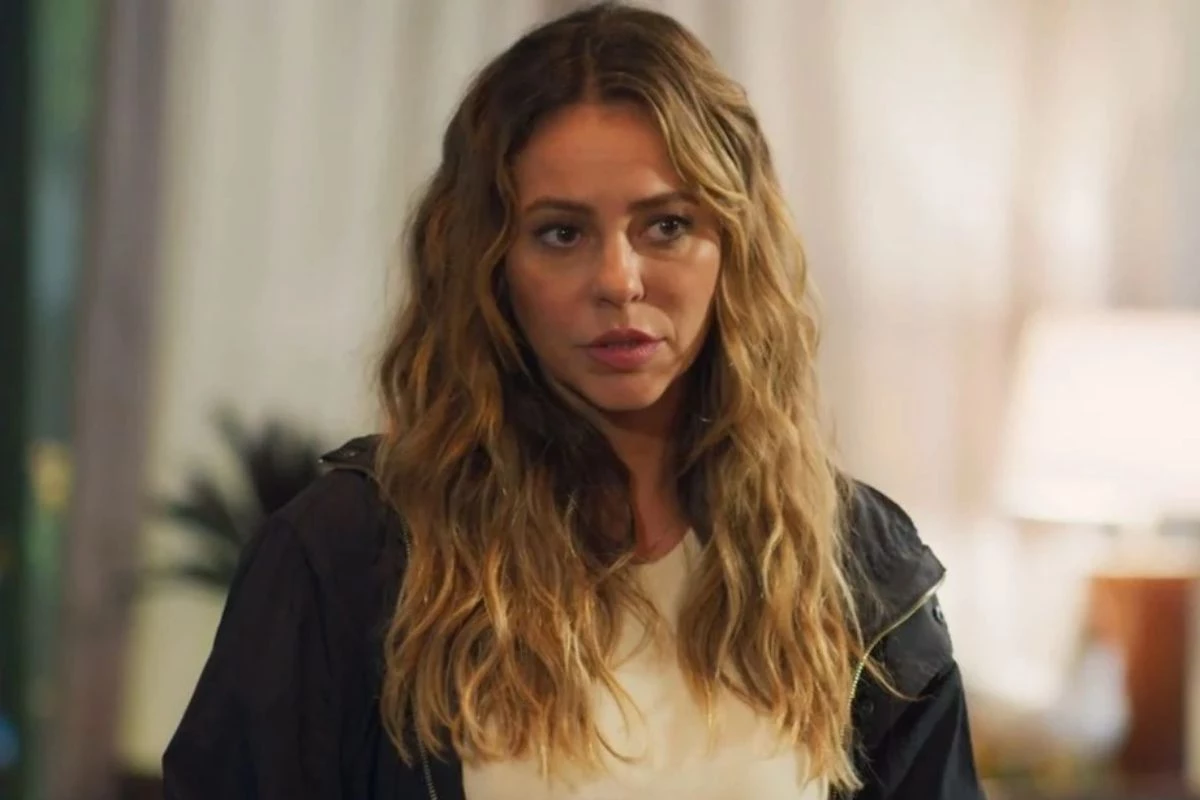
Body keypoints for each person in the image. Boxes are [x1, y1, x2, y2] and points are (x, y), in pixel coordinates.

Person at [163, 3, 983, 798]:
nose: (618, 281)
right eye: (562, 232)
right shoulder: (350, 558)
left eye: (666, 225)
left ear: (734, 245)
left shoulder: (854, 567)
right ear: (490, 266)